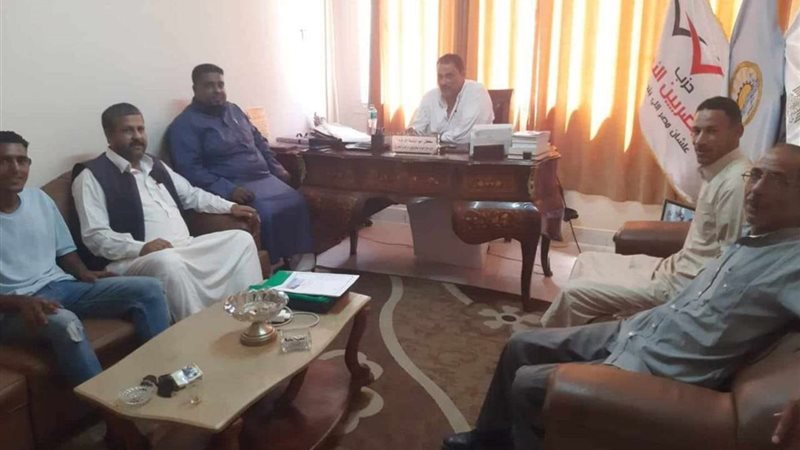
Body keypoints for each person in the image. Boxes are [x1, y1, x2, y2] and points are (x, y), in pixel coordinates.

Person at [442, 143, 800, 450]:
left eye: (778, 180)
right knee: (519, 346)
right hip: (640, 328)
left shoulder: (792, 261)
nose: (756, 190)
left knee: (529, 383)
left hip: (660, 363)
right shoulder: (755, 236)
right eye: (756, 175)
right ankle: (489, 437)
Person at [541, 96, 752, 327]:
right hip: (674, 268)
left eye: (711, 131)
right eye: (696, 131)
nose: (699, 141)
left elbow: (731, 264)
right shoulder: (718, 171)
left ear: (738, 132)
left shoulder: (736, 184)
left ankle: (545, 343)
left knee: (573, 294)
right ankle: (579, 335)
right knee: (586, 260)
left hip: (681, 288)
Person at [0, 131, 170, 386]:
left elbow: (64, 250)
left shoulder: (39, 199)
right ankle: (107, 407)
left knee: (150, 289)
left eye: (21, 160)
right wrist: (20, 302)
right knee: (67, 324)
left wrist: (83, 272)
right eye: (5, 161)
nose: (16, 168)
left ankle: (164, 376)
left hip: (62, 287)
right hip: (15, 310)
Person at [71, 103, 263, 321]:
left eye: (140, 129)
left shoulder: (154, 165)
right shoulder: (91, 176)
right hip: (135, 259)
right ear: (109, 135)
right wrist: (141, 247)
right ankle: (199, 330)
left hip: (185, 246)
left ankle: (253, 317)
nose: (137, 136)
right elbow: (95, 236)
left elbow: (192, 195)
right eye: (128, 130)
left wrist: (230, 206)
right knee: (168, 262)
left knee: (240, 241)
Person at [168, 64, 315, 271]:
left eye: (220, 85)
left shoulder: (234, 110)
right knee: (265, 211)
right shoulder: (185, 125)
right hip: (234, 185)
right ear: (195, 89)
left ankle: (301, 263)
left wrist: (276, 167)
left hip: (264, 178)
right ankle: (273, 266)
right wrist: (229, 190)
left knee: (297, 200)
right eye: (209, 85)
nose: (217, 90)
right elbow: (190, 170)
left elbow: (259, 141)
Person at [407, 53, 494, 144]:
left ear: (463, 74)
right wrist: (411, 135)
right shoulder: (429, 97)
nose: (443, 82)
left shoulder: (476, 91)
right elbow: (415, 131)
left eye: (449, 76)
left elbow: (467, 135)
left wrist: (433, 138)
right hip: (435, 152)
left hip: (469, 152)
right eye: (440, 76)